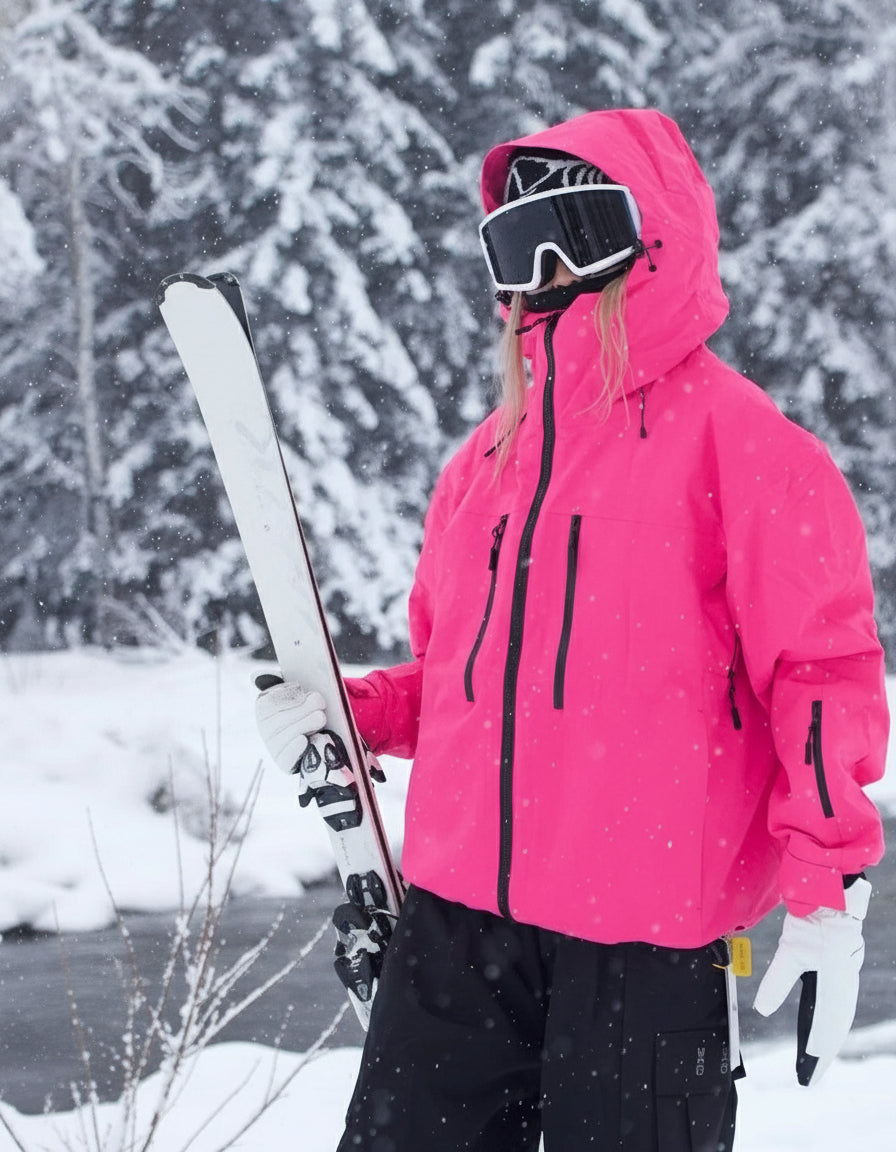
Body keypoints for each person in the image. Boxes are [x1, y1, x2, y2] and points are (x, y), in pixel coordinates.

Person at [255, 108, 888, 1151]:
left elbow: (817, 678)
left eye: (578, 231)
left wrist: (827, 883)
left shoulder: (748, 449)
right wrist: (356, 711)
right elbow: (464, 679)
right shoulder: (483, 464)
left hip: (642, 939)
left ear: (656, 238)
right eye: (517, 243)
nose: (547, 270)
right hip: (457, 925)